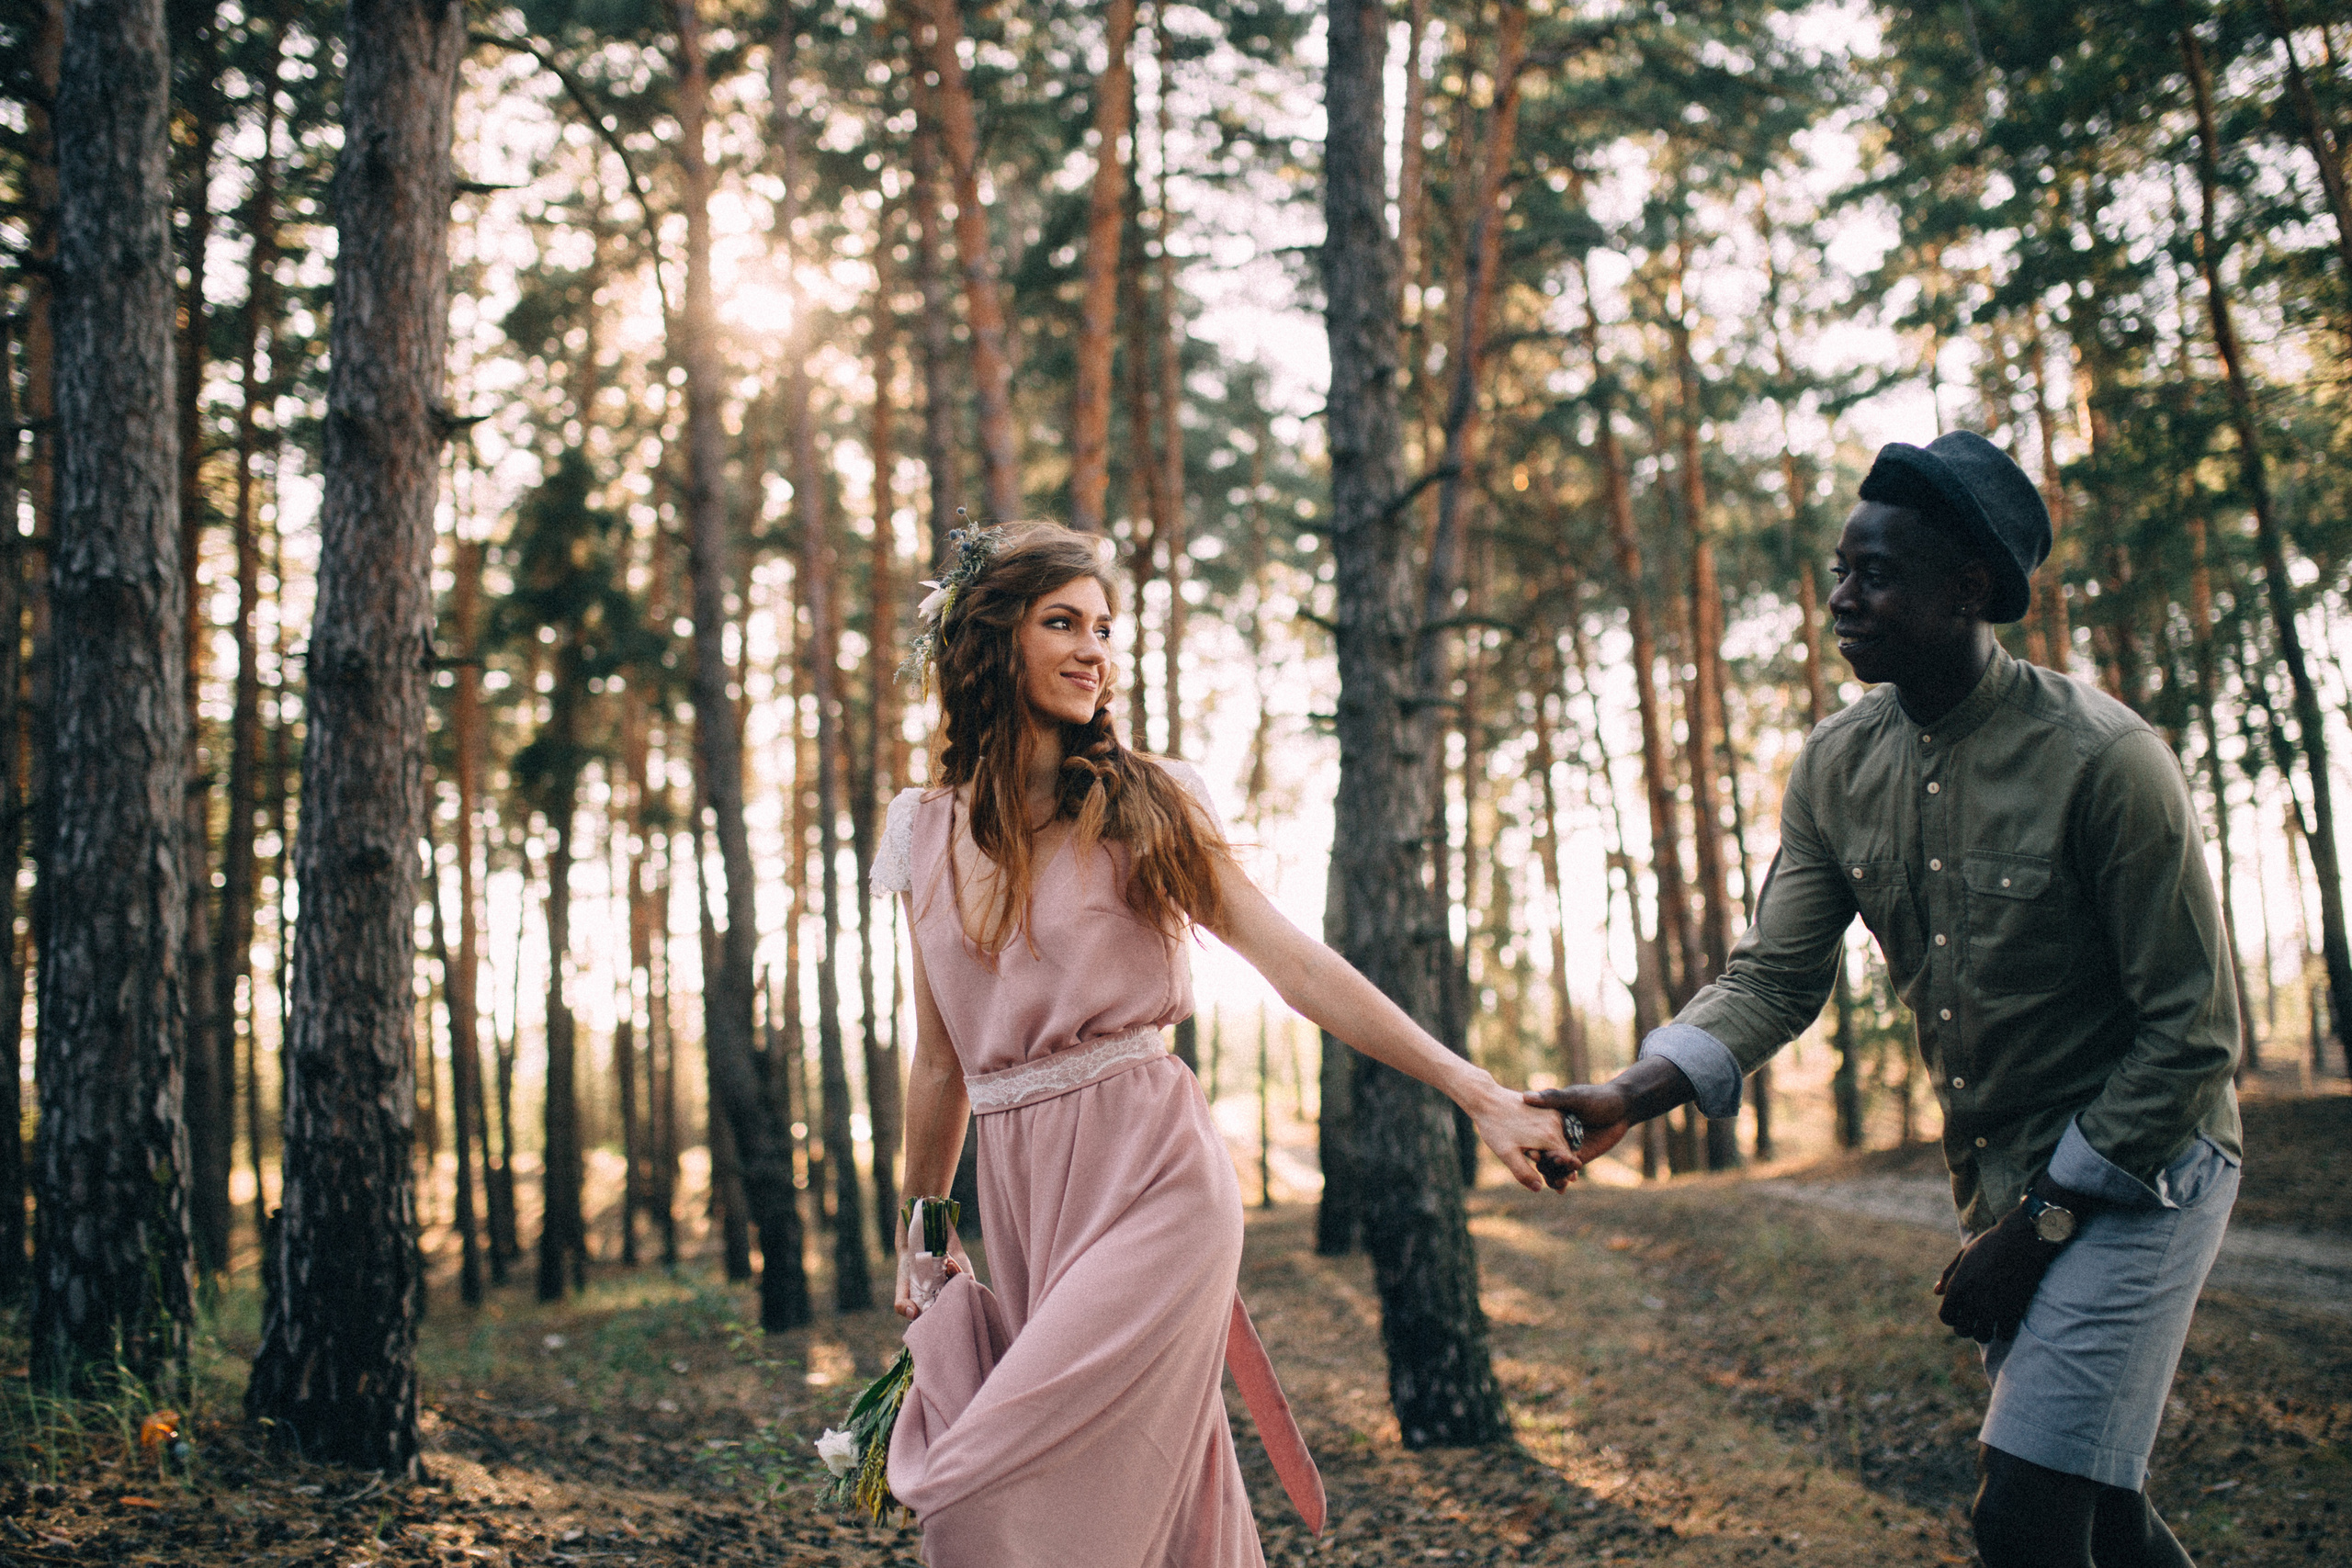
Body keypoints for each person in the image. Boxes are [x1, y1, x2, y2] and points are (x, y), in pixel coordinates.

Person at [1529, 432, 2241, 1568]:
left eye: (1875, 575)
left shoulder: (2109, 762)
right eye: (1838, 570)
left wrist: (2043, 1223)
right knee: (2094, 1506)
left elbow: (2192, 1037)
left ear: (1970, 592)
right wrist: (1634, 1090)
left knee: (2022, 1512)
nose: (1839, 599)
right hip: (2002, 1176)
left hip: (2147, 1169)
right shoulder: (1833, 765)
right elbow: (1775, 975)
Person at [873, 522, 1575, 1568]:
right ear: (987, 643)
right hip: (1024, 1200)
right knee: (1152, 1498)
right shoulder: (923, 832)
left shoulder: (1141, 804)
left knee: (979, 1497)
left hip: (1154, 1179)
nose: (1092, 650)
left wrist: (1474, 1091)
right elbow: (939, 1063)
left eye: (1103, 628)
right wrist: (922, 1223)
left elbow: (1293, 964)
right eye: (1060, 622)